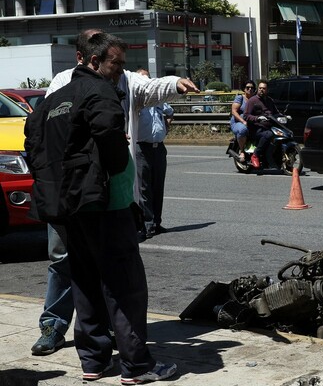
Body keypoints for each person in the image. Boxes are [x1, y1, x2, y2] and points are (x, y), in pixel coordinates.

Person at [30, 28, 198, 357]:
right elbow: (51, 133)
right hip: (73, 193)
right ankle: (55, 325)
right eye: (116, 63)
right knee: (69, 262)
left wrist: (174, 83)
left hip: (108, 196)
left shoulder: (121, 83)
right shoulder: (67, 85)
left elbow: (148, 88)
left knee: (98, 270)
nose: (121, 70)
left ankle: (98, 345)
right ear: (88, 58)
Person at [135, 68, 174, 241]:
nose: (146, 82)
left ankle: (157, 222)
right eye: (143, 79)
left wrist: (167, 124)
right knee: (144, 188)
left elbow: (170, 111)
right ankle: (148, 224)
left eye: (148, 79)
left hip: (159, 148)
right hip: (142, 148)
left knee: (158, 186)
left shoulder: (158, 99)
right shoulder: (136, 100)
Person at [244, 80, 283, 168]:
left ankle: (271, 159)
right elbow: (246, 116)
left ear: (267, 90)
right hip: (256, 128)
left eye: (264, 88)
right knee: (268, 134)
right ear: (258, 89)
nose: (261, 90)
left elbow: (276, 112)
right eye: (260, 88)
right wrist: (257, 118)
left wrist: (284, 116)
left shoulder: (269, 100)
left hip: (268, 127)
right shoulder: (252, 100)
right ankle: (255, 155)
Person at [230, 80, 256, 161]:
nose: (250, 89)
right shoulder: (240, 98)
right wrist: (243, 121)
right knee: (243, 129)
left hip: (251, 122)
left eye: (252, 88)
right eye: (247, 87)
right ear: (244, 89)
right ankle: (242, 151)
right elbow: (234, 111)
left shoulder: (256, 99)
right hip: (238, 122)